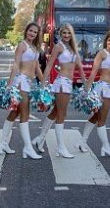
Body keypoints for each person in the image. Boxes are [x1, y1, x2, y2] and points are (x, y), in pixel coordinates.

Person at [32, 23, 86, 159]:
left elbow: (79, 67)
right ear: (60, 34)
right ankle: (61, 148)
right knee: (62, 114)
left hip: (69, 83)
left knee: (56, 112)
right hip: (61, 83)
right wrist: (43, 84)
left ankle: (40, 138)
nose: (66, 35)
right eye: (64, 33)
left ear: (71, 34)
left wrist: (87, 86)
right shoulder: (58, 47)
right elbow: (49, 65)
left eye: (68, 33)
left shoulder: (73, 48)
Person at [0, 22, 44, 160]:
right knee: (25, 113)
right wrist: (9, 84)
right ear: (26, 31)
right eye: (30, 31)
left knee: (15, 113)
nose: (32, 33)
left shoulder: (35, 48)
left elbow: (37, 68)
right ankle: (28, 148)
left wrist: (44, 83)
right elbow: (16, 65)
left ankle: (2, 144)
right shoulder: (22, 45)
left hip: (30, 83)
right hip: (21, 82)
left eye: (35, 32)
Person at [80, 31, 110, 157]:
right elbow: (94, 71)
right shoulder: (102, 53)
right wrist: (87, 90)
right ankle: (106, 147)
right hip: (101, 88)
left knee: (96, 117)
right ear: (106, 41)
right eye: (109, 40)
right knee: (102, 119)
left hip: (109, 89)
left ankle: (82, 142)